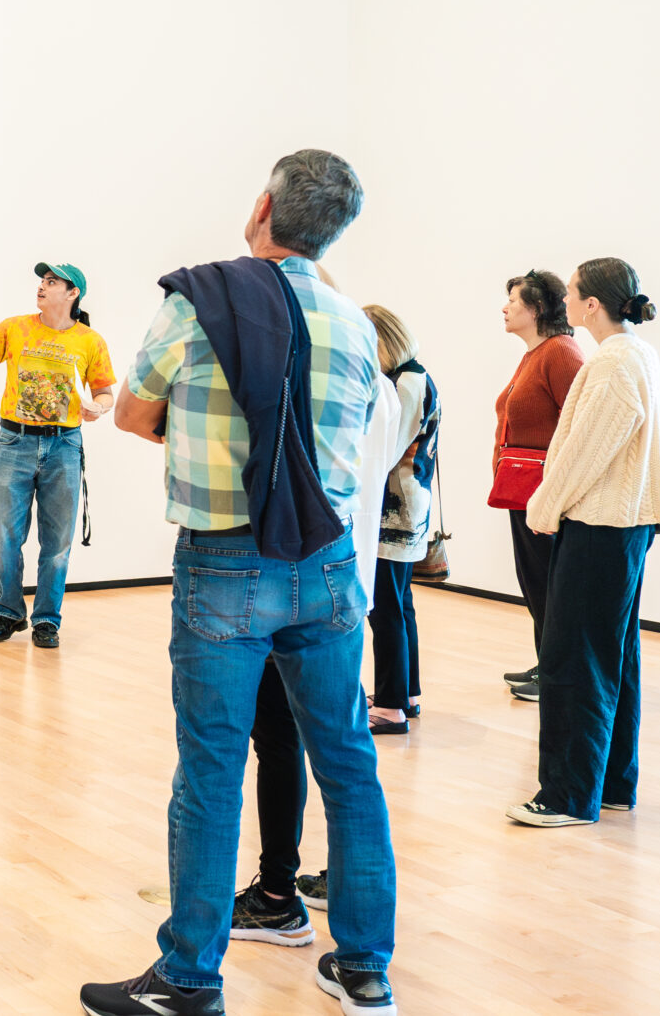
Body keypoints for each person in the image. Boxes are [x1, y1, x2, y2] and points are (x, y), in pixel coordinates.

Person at [82, 150, 399, 1016]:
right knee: (349, 761)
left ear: (262, 206)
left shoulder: (198, 301)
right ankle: (364, 966)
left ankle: (189, 976)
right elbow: (350, 433)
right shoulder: (355, 324)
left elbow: (132, 410)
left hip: (224, 561)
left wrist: (200, 431)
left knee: (212, 767)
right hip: (328, 567)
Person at [234, 278, 408, 942]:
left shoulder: (312, 378)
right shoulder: (381, 389)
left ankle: (279, 893)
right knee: (342, 752)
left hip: (295, 577)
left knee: (281, 740)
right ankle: (341, 901)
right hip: (346, 581)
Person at [507, 258, 660, 828]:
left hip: (600, 525)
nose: (566, 300)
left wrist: (544, 506)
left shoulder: (613, 362)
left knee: (572, 659)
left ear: (592, 305)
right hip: (622, 528)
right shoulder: (637, 355)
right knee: (612, 656)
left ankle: (566, 797)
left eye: (573, 292)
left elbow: (586, 451)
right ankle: (611, 785)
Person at [0, 263, 116, 648]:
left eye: (52, 282)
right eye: (42, 281)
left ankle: (47, 619)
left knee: (57, 544)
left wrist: (98, 407)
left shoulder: (90, 341)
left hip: (64, 446)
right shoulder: (15, 328)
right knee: (3, 539)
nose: (42, 286)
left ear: (73, 293)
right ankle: (9, 611)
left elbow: (105, 392)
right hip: (15, 443)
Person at [494, 270, 584, 701]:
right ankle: (547, 664)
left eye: (513, 300)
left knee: (550, 585)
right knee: (535, 582)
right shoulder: (535, 354)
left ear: (537, 309)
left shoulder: (560, 352)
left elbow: (581, 426)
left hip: (545, 494)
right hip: (524, 490)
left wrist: (558, 491)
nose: (505, 307)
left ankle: (558, 675)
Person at [364, 306, 440, 734]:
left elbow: (387, 451)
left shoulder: (408, 383)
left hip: (396, 509)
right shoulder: (413, 377)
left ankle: (391, 707)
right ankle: (405, 694)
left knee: (386, 609)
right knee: (399, 604)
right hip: (407, 506)